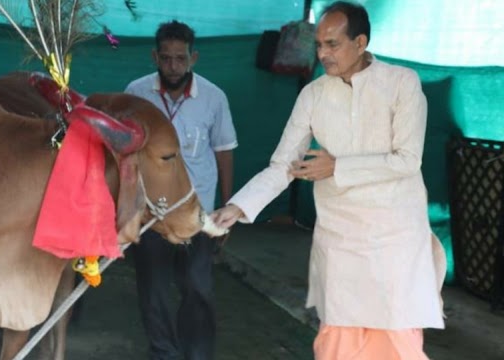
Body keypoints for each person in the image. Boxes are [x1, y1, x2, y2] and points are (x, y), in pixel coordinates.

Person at [211, 2, 446, 359]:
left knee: (397, 343)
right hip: (341, 241)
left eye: (332, 44)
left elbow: (408, 160)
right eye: (319, 44)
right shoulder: (314, 94)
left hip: (395, 239)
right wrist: (237, 206)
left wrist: (338, 167)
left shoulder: (402, 83)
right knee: (338, 344)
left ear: (361, 42)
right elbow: (283, 165)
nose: (322, 53)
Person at [124, 20, 238, 360]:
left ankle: (197, 355)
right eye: (166, 58)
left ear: (194, 58)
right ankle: (164, 354)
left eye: (180, 58)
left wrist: (227, 207)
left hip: (197, 212)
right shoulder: (136, 93)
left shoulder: (214, 98)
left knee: (197, 288)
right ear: (154, 56)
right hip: (151, 214)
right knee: (154, 290)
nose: (173, 66)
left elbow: (224, 151)